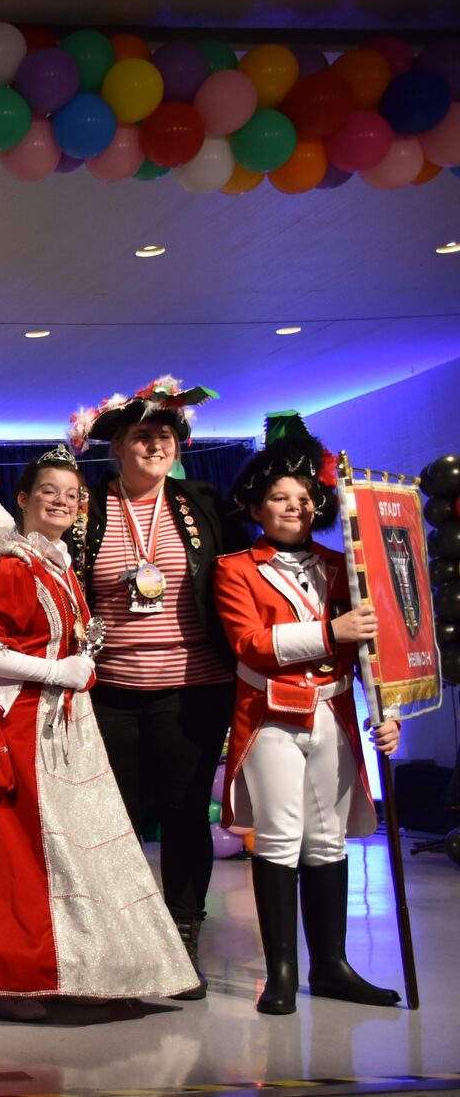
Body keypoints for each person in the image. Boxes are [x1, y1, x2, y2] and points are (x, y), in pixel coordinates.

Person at [0, 447, 198, 1020]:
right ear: (23, 499)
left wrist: (80, 657)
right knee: (17, 857)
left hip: (62, 726)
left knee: (62, 853)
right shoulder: (12, 565)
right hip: (23, 730)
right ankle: (9, 978)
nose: (62, 502)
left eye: (72, 494)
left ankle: (75, 968)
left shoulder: (58, 565)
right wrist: (56, 670)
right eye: (49, 492)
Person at [213, 412, 402, 1015]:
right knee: (278, 837)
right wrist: (329, 631)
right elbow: (250, 644)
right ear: (256, 507)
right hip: (270, 717)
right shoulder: (233, 569)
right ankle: (281, 973)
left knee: (326, 840)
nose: (295, 506)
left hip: (334, 714)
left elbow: (372, 649)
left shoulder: (343, 566)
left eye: (304, 497)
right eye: (280, 497)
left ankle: (332, 966)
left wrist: (391, 710)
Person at [68, 375, 246, 997]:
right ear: (116, 446)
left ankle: (183, 935)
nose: (154, 445)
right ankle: (125, 940)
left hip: (194, 688)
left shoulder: (204, 503)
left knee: (185, 813)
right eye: (142, 435)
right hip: (109, 690)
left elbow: (239, 580)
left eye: (165, 435)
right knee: (115, 818)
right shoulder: (86, 510)